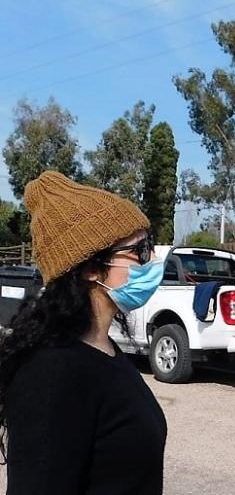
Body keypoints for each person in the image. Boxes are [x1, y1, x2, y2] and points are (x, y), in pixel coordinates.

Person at [0, 171, 167, 494]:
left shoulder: (105, 351)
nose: (153, 261)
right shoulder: (52, 372)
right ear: (90, 268)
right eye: (140, 250)